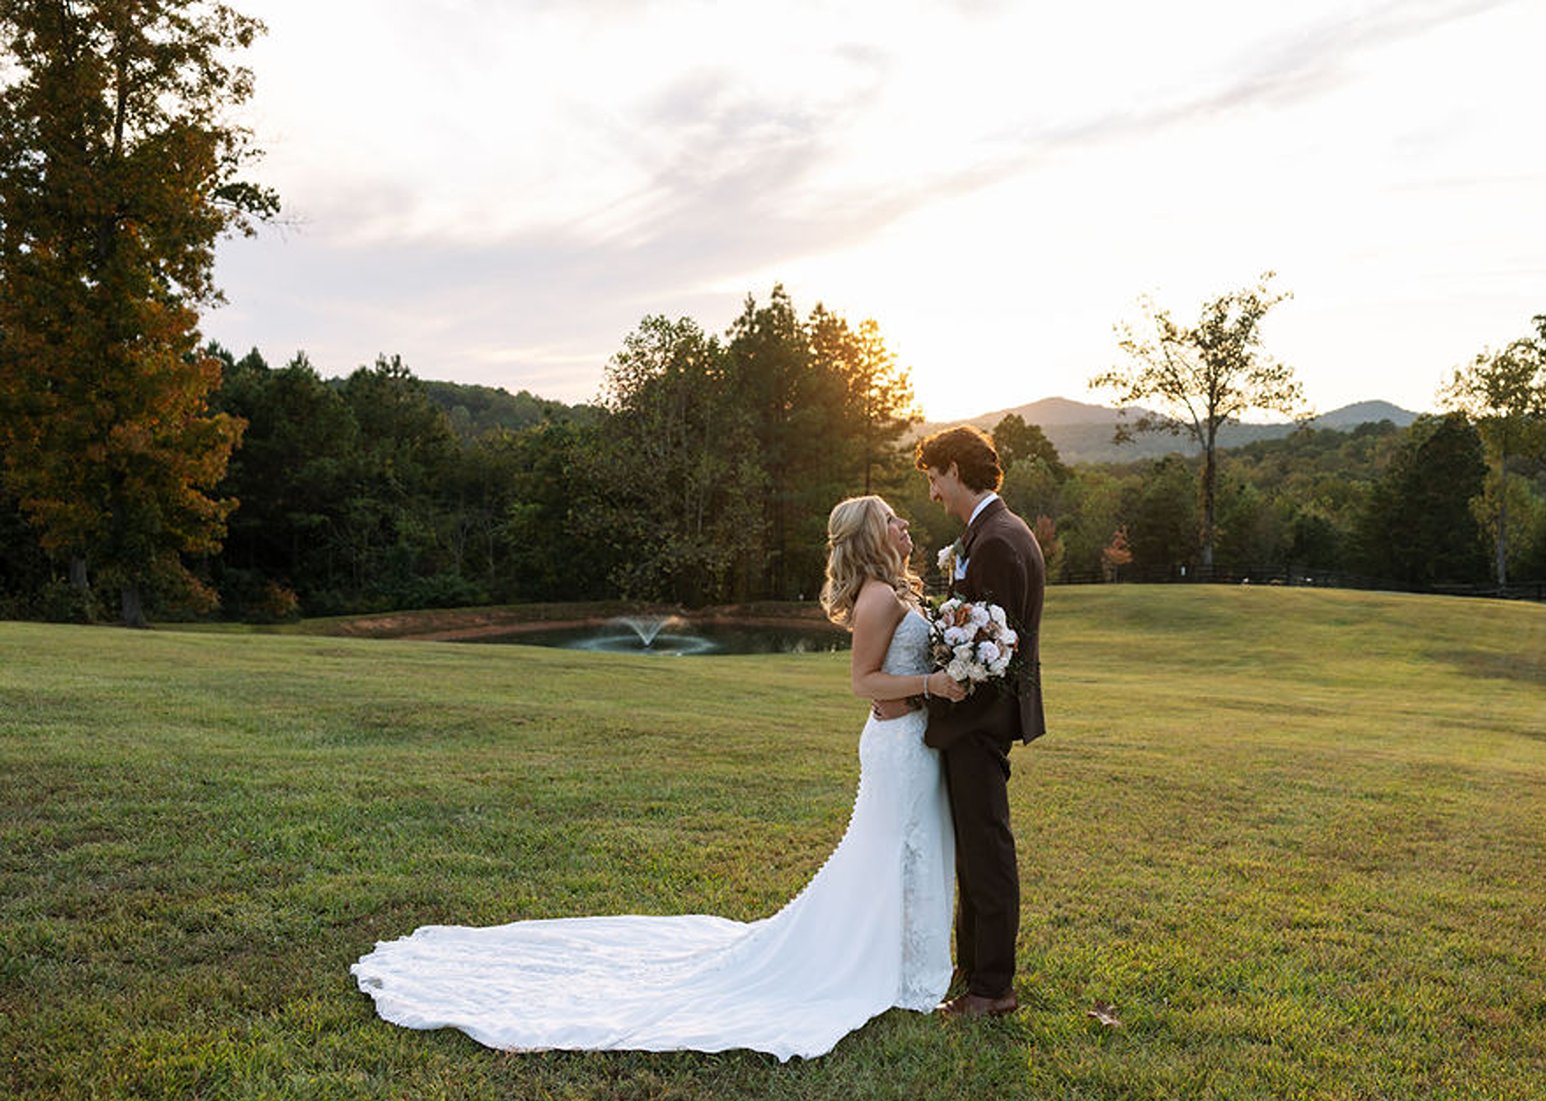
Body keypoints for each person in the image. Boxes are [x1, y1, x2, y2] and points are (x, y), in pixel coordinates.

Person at [350, 496, 965, 1060]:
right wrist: (931, 686)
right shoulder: (880, 598)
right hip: (897, 743)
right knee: (892, 850)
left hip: (911, 737)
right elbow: (863, 684)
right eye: (892, 518)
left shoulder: (896, 590)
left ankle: (903, 965)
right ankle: (891, 971)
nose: (905, 524)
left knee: (905, 851)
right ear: (869, 536)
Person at [896, 425, 1046, 1018]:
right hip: (976, 721)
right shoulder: (992, 532)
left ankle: (991, 988)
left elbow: (995, 651)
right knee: (975, 848)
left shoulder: (996, 542)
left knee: (985, 852)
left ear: (954, 471)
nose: (932, 493)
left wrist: (940, 693)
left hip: (978, 721)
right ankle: (973, 968)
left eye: (933, 479)